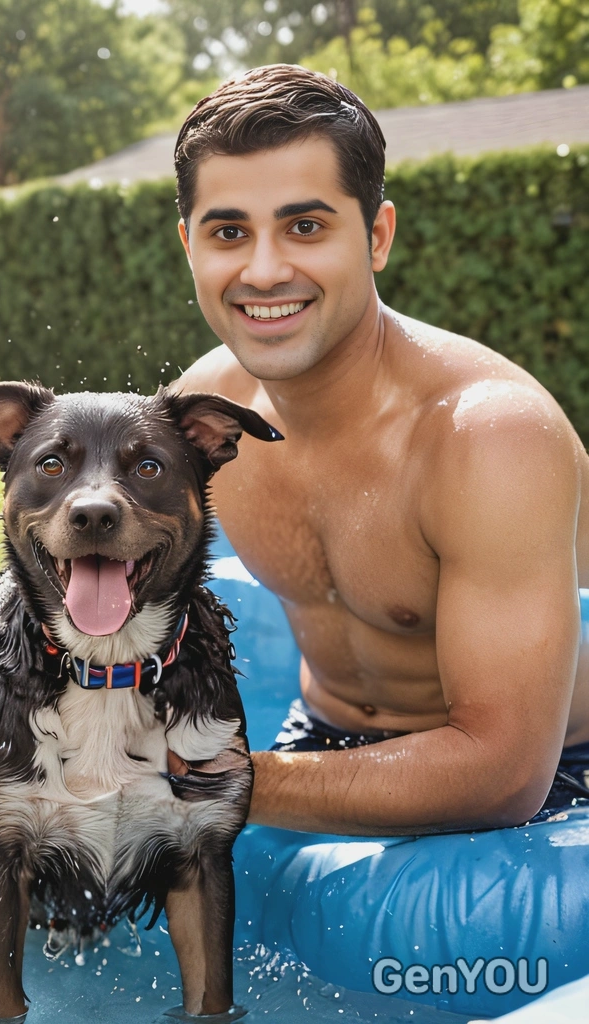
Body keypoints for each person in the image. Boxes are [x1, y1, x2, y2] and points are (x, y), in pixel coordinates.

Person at [175, 65, 589, 835]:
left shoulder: (487, 436)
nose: (263, 271)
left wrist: (210, 781)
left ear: (376, 237)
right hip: (322, 739)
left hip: (556, 777)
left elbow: (504, 771)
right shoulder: (200, 420)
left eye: (305, 227)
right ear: (190, 247)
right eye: (229, 232)